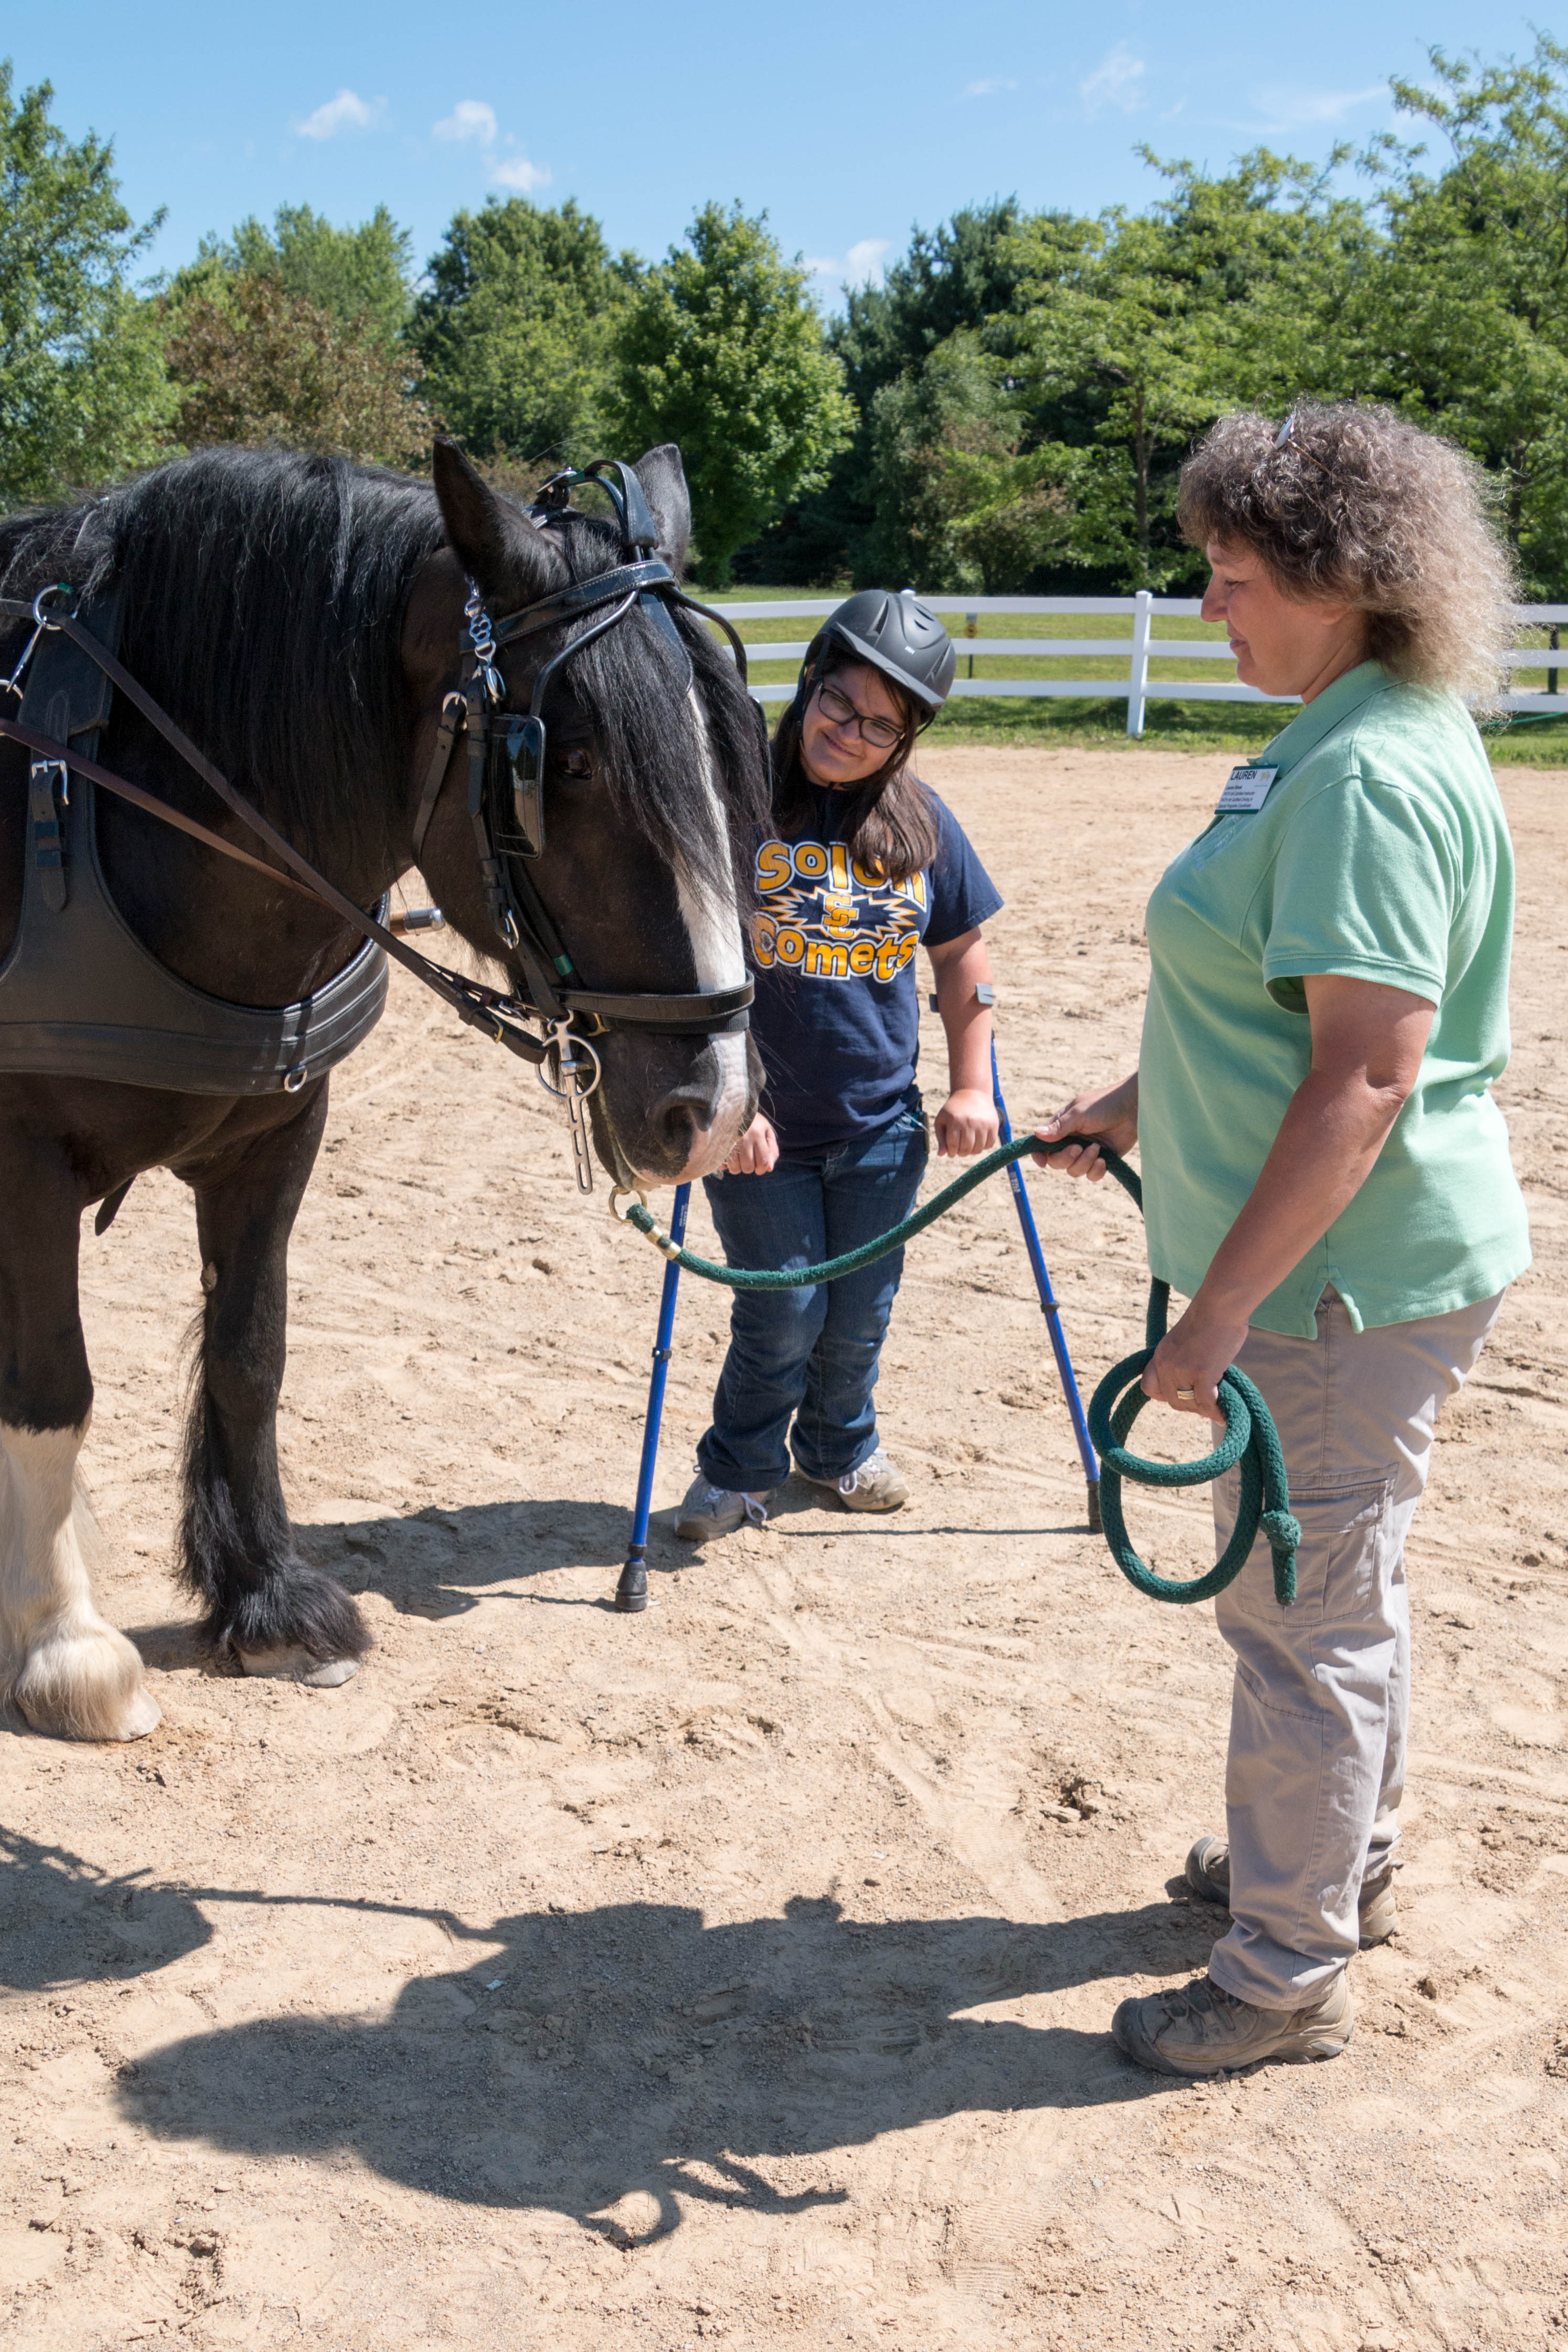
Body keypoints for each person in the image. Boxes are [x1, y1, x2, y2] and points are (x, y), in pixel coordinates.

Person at [1037, 400, 1530, 2077]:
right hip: (1349, 1265)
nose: (1206, 606)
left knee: (1297, 1614)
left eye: (1230, 575)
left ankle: (1278, 1971)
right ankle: (1333, 1868)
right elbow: (1269, 1001)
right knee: (1337, 1585)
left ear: (1337, 575)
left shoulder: (1368, 770)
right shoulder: (1340, 729)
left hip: (1330, 1282)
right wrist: (1130, 1099)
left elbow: (1368, 1069)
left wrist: (1210, 1316)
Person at [677, 591, 1002, 1539]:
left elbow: (961, 956)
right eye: (839, 705)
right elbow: (694, 961)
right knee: (782, 1315)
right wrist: (732, 1105)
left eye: (880, 726)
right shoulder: (732, 804)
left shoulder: (921, 826)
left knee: (858, 1314)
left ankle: (838, 1450)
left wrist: (971, 1083)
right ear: (809, 681)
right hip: (758, 1129)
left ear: (906, 740)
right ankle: (738, 1470)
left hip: (879, 1127)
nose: (851, 734)